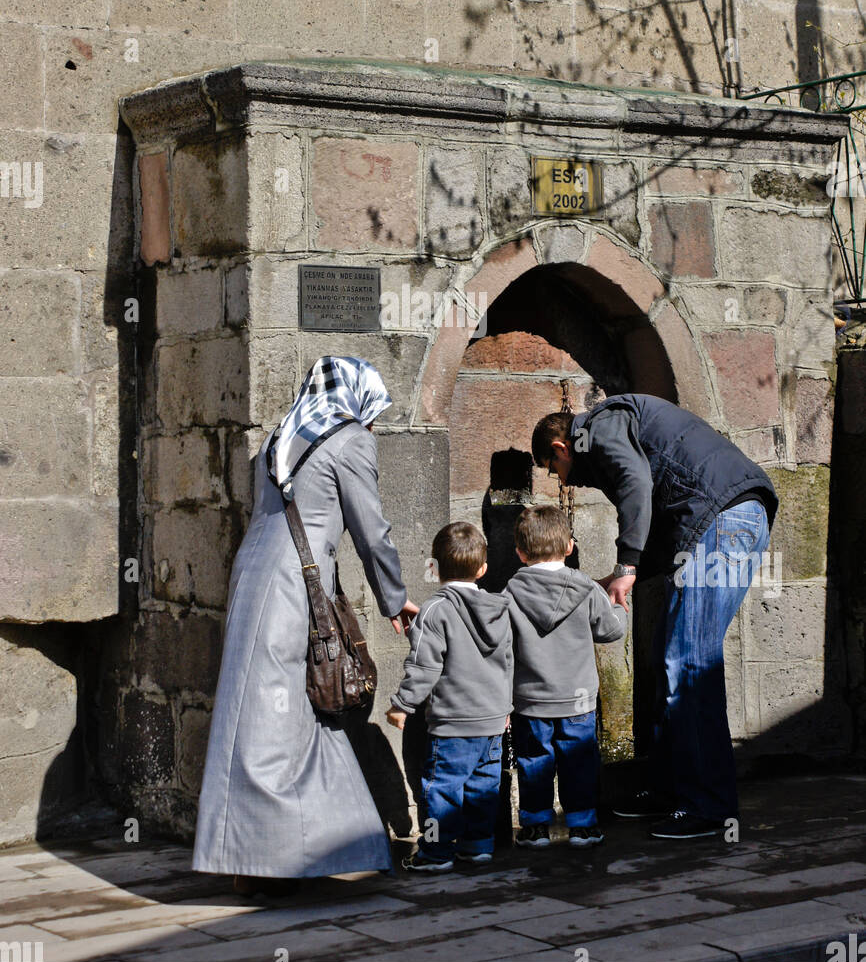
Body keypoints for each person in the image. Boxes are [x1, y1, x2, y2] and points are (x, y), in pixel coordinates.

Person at [192, 356, 418, 894]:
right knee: (282, 723)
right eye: (375, 410)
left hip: (252, 576)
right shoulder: (350, 441)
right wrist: (395, 598)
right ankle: (267, 863)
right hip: (294, 588)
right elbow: (372, 530)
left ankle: (274, 856)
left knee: (264, 715)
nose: (375, 423)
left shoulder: (281, 436)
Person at [532, 393, 778, 840]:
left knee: (689, 664)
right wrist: (628, 570)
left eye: (555, 471)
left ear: (560, 448)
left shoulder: (600, 428)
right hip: (717, 522)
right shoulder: (618, 426)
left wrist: (627, 566)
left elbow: (635, 483)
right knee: (673, 660)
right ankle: (672, 791)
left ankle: (709, 808)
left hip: (722, 522)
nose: (563, 482)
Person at [386, 522, 512, 873]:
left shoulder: (434, 610)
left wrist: (403, 704)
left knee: (438, 790)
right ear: (483, 569)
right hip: (492, 722)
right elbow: (508, 663)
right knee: (484, 787)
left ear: (434, 567)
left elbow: (424, 666)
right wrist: (507, 708)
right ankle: (478, 846)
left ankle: (435, 851)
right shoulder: (499, 609)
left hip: (452, 724)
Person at [504, 505, 626, 850]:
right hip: (578, 698)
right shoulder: (585, 588)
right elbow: (612, 631)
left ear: (520, 552)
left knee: (533, 761)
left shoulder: (510, 593)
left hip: (529, 700)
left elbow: (500, 644)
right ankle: (583, 826)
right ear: (569, 546)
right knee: (579, 760)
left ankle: (535, 827)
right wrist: (617, 606)